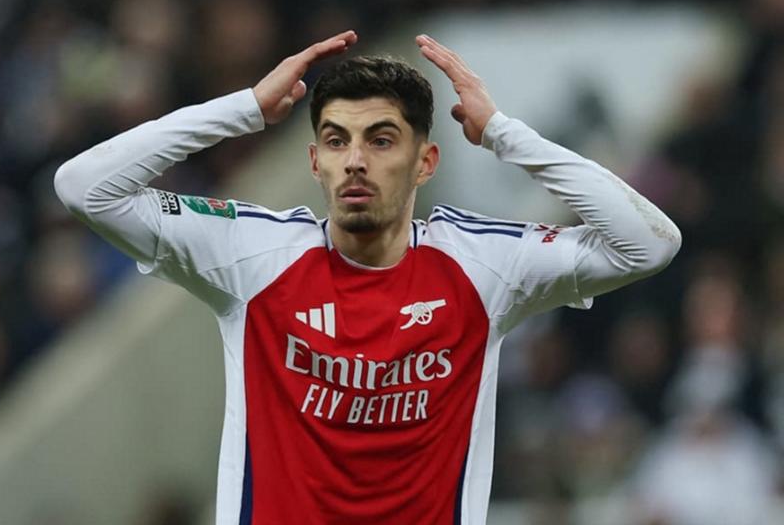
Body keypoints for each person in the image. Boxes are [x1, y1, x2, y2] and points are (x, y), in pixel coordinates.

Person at [54, 30, 681, 525]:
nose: (355, 160)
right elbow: (84, 187)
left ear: (425, 162)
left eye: (381, 141)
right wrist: (243, 110)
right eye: (336, 141)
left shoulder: (482, 265)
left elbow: (649, 243)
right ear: (315, 162)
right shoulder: (254, 255)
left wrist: (503, 134)